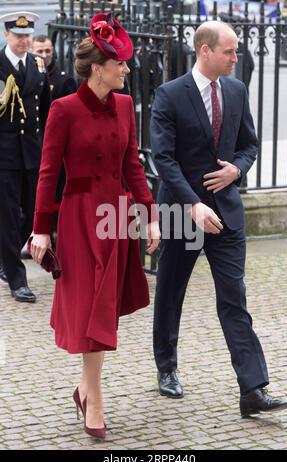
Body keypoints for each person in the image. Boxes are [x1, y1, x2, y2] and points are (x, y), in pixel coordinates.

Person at [150, 21, 287, 417]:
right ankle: (167, 367)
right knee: (171, 292)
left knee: (234, 297)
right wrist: (193, 203)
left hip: (227, 212)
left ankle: (252, 388)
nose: (235, 57)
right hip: (181, 211)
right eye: (229, 51)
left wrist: (237, 171)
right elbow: (162, 158)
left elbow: (249, 145)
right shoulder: (169, 94)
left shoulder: (236, 89)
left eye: (235, 51)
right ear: (205, 50)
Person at [30, 12, 160, 439]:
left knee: (102, 308)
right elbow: (48, 174)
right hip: (79, 219)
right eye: (121, 64)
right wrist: (41, 229)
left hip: (117, 218)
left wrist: (150, 216)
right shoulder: (63, 109)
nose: (127, 70)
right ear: (99, 69)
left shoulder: (124, 106)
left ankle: (85, 390)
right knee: (89, 307)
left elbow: (133, 167)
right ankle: (95, 398)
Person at [0, 12, 51, 301]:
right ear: (7, 35)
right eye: (18, 36)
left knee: (34, 211)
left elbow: (46, 111)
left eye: (27, 35)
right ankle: (17, 278)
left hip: (33, 152)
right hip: (5, 155)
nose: (24, 41)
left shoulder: (37, 65)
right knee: (7, 216)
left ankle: (5, 258)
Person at [31, 34, 78, 247]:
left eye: (47, 51)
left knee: (56, 191)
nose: (44, 55)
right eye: (39, 51)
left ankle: (55, 233)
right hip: (32, 143)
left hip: (55, 144)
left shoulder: (63, 79)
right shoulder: (28, 76)